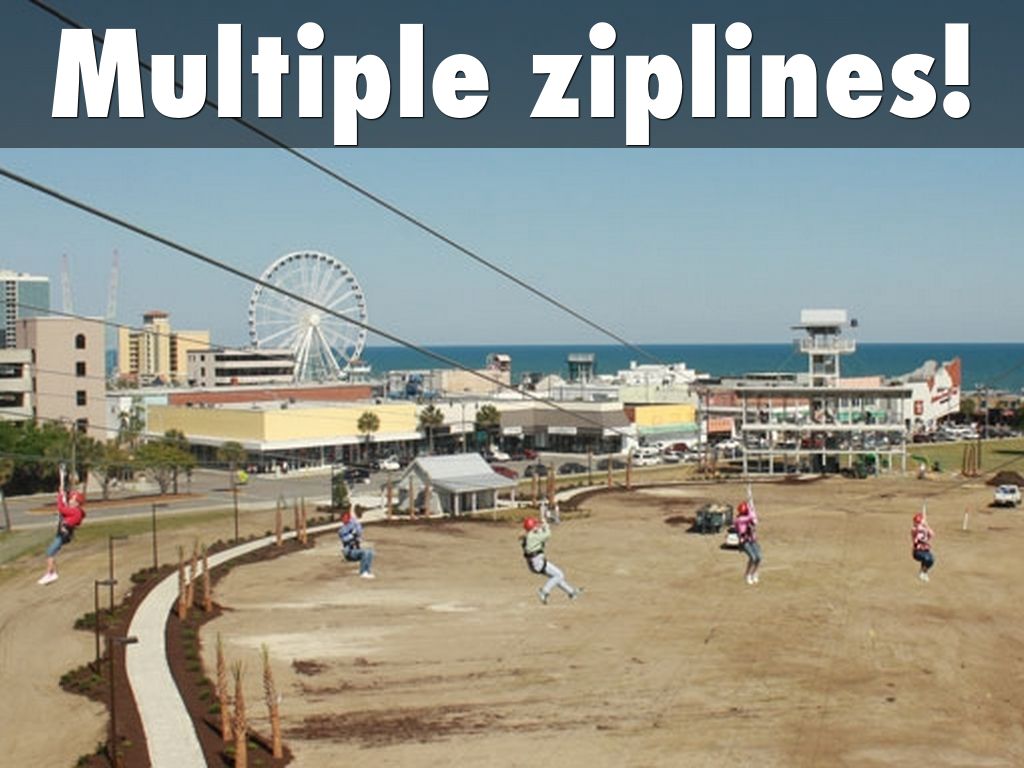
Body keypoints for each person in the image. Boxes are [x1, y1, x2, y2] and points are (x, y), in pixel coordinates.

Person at [38, 466, 86, 585]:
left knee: (50, 552)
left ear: (77, 503)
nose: (70, 500)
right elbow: (64, 507)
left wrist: (60, 496)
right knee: (51, 553)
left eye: (72, 500)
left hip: (63, 535)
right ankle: (51, 573)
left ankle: (51, 574)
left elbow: (61, 508)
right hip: (63, 533)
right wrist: (62, 491)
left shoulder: (75, 512)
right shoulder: (75, 510)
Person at [520, 516, 582, 604]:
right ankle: (544, 591)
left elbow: (538, 534)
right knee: (559, 575)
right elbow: (547, 534)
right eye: (535, 524)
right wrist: (546, 525)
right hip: (538, 562)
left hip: (534, 563)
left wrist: (541, 527)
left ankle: (571, 592)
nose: (537, 525)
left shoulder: (529, 536)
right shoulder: (532, 536)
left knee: (555, 577)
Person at [339, 510, 375, 579]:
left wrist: (356, 523)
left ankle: (367, 571)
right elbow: (345, 539)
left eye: (347, 518)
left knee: (370, 552)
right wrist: (353, 534)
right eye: (344, 518)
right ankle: (363, 572)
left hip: (356, 550)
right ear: (342, 519)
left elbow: (359, 531)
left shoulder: (353, 524)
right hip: (349, 552)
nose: (345, 519)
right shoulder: (341, 530)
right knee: (365, 552)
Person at [734, 500, 762, 585]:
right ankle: (747, 575)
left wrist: (753, 514)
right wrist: (751, 510)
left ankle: (754, 573)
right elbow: (749, 518)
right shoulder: (739, 520)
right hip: (745, 541)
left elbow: (755, 522)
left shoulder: (748, 518)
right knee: (753, 558)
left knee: (759, 557)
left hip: (752, 540)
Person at [911, 510, 935, 582]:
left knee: (931, 560)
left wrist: (926, 526)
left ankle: (924, 572)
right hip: (917, 551)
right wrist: (921, 526)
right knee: (927, 558)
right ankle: (922, 573)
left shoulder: (925, 529)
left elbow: (932, 534)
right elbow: (914, 531)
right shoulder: (914, 529)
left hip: (926, 550)